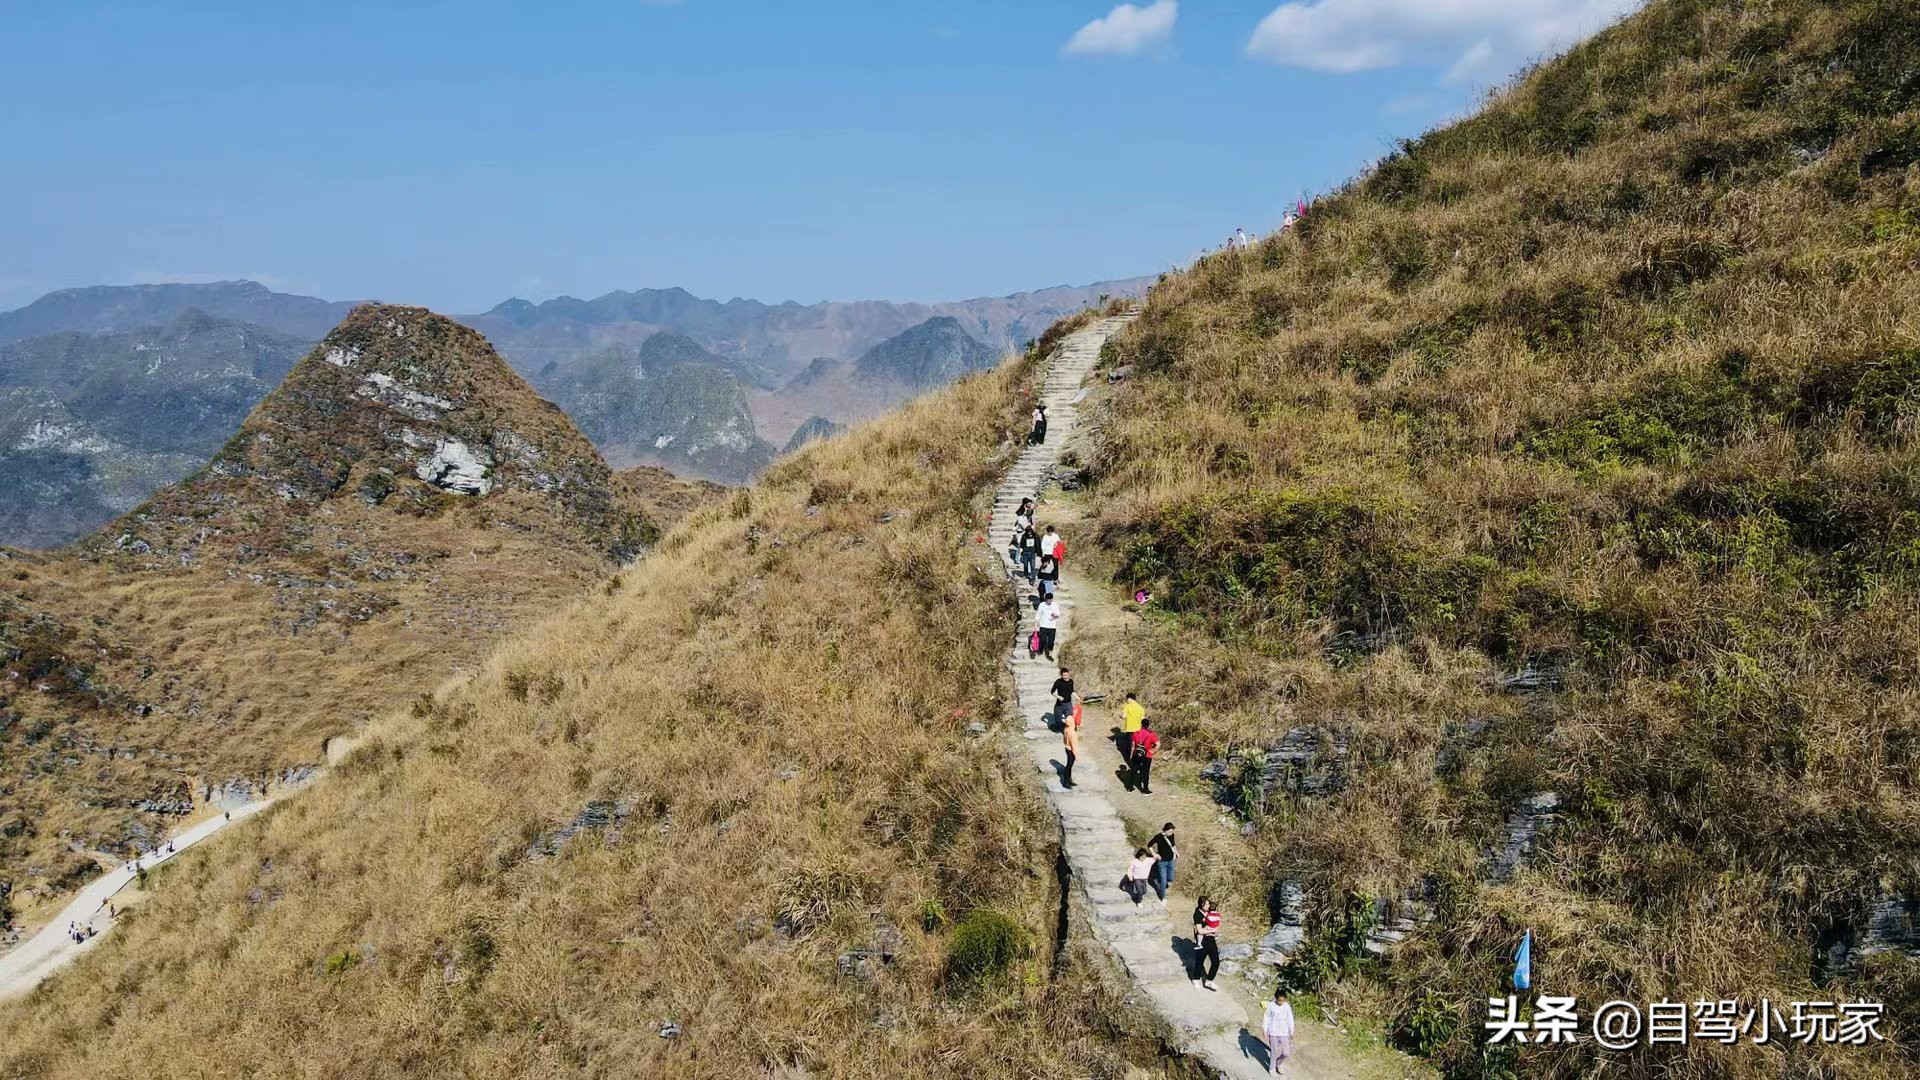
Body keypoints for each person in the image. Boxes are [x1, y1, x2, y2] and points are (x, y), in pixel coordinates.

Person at [1263, 988, 1296, 1074]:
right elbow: (1266, 1017)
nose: (1281, 1002)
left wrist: (1291, 1030)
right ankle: (1272, 1068)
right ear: (1276, 998)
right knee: (1274, 1051)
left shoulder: (1286, 1006)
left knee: (1286, 1052)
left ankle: (1279, 1063)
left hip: (1284, 1032)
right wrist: (1265, 1030)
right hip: (1273, 1032)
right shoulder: (1271, 1005)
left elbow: (1290, 1019)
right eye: (1279, 1000)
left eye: (1283, 1000)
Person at [1192, 897, 1221, 990]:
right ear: (1201, 905)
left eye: (1209, 904)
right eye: (1207, 904)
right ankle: (1195, 978)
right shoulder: (1197, 914)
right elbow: (1199, 930)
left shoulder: (1210, 912)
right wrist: (1211, 930)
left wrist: (1214, 931)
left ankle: (1209, 980)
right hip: (1202, 940)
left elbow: (1215, 923)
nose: (1209, 906)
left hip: (1211, 939)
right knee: (1200, 961)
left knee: (1216, 961)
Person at [1149, 822, 1177, 904]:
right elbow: (1149, 845)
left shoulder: (1171, 835)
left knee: (1170, 878)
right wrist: (1154, 854)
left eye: (1172, 831)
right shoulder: (1159, 837)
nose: (1172, 833)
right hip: (1162, 862)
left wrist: (1176, 852)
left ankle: (1159, 879)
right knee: (1164, 881)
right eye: (1170, 831)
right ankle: (1163, 898)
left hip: (1171, 860)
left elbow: (1173, 844)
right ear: (1166, 830)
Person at [1130, 718, 1160, 794]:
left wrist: (1131, 755)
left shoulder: (1136, 733)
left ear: (1141, 724)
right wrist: (1152, 751)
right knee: (1145, 773)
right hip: (1146, 756)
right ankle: (1145, 790)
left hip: (1136, 754)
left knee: (1133, 770)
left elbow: (1133, 745)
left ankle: (1130, 787)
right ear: (1148, 725)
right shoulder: (1151, 734)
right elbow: (1158, 744)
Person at [1035, 594, 1062, 660]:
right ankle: (1040, 649)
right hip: (1043, 625)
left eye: (1050, 600)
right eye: (1048, 601)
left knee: (1051, 641)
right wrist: (1036, 625)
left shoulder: (1055, 605)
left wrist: (1054, 615)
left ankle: (1050, 653)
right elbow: (1038, 614)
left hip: (1052, 626)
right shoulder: (1042, 605)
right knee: (1042, 640)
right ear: (1045, 599)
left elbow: (1058, 615)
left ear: (1052, 599)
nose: (1049, 602)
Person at [1118, 692, 1146, 757]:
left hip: (1130, 729)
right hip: (1138, 729)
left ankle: (1130, 757)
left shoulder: (1127, 706)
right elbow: (1143, 719)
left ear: (1130, 698)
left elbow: (1124, 716)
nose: (1126, 700)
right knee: (1137, 743)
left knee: (1130, 744)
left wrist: (1120, 715)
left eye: (1127, 699)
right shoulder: (1140, 707)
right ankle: (1138, 755)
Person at [1061, 711, 1081, 789]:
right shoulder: (1073, 733)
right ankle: (1066, 781)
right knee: (1069, 766)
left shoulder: (1066, 729)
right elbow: (1074, 746)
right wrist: (1076, 755)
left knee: (1069, 766)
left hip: (1067, 748)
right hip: (1070, 750)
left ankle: (1069, 779)